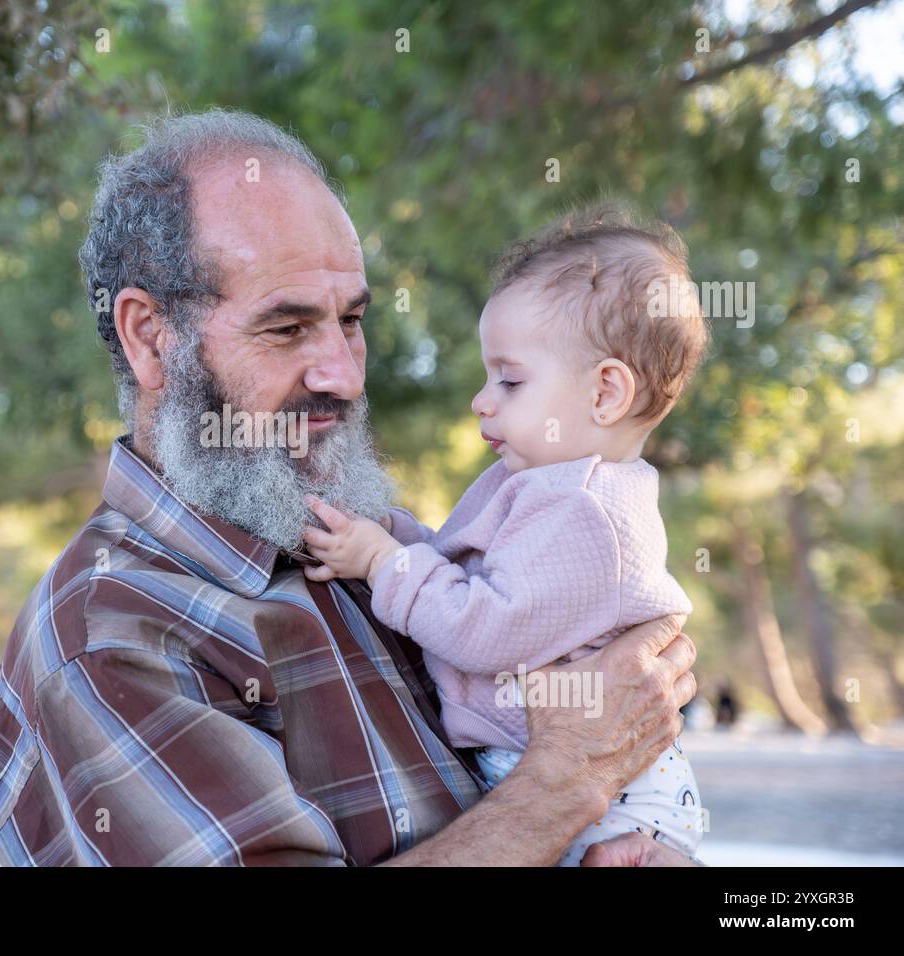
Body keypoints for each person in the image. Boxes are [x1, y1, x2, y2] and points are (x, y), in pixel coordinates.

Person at [0, 109, 698, 866]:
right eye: (286, 329)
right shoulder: (110, 639)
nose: (343, 375)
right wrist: (573, 774)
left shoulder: (346, 528)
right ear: (151, 337)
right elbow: (578, 744)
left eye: (350, 320)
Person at [301, 204, 709, 865]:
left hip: (613, 808)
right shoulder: (546, 482)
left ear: (606, 393)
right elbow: (461, 564)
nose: (481, 400)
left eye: (511, 379)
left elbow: (484, 628)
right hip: (555, 769)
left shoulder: (583, 510)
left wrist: (381, 563)